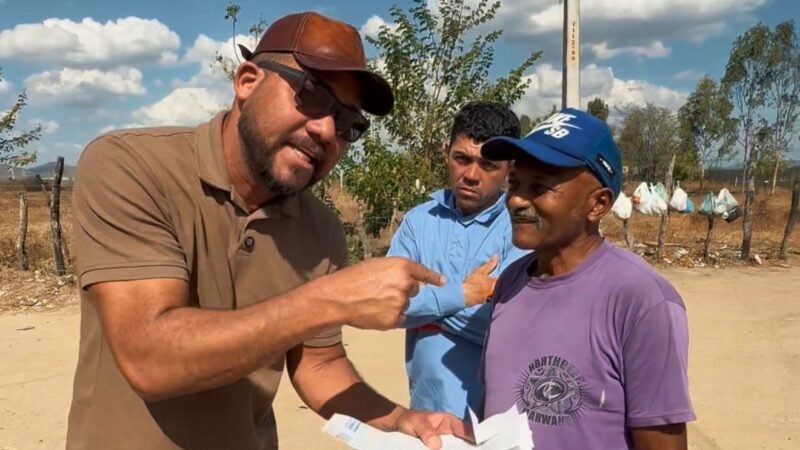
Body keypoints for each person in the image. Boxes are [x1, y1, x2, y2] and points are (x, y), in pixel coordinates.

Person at [66, 11, 469, 450]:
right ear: (247, 81)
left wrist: (400, 419)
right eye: (311, 95)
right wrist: (330, 299)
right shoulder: (132, 167)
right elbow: (149, 359)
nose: (326, 130)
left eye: (347, 122)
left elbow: (318, 363)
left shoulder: (321, 229)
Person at [479, 108, 696, 450]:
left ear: (598, 204)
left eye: (540, 187)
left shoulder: (641, 300)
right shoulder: (509, 284)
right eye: (516, 184)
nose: (517, 200)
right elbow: (492, 409)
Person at [387, 101, 528, 419]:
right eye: (461, 159)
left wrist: (428, 313)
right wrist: (463, 295)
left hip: (496, 421)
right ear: (445, 152)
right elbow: (389, 307)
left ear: (510, 168)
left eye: (489, 165)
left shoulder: (519, 228)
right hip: (426, 412)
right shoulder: (418, 222)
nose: (471, 175)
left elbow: (506, 328)